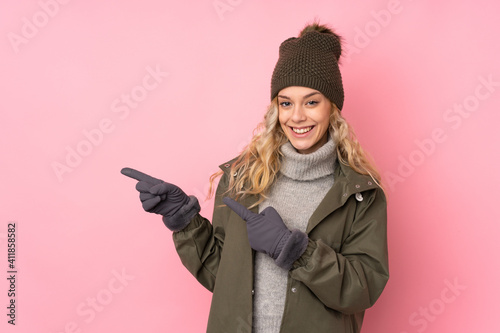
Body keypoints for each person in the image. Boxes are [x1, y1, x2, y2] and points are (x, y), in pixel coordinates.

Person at [121, 22, 389, 333]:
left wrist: (294, 251)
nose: (297, 116)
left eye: (312, 101)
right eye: (286, 102)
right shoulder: (241, 180)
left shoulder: (359, 193)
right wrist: (185, 222)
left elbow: (363, 289)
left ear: (333, 107)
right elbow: (223, 277)